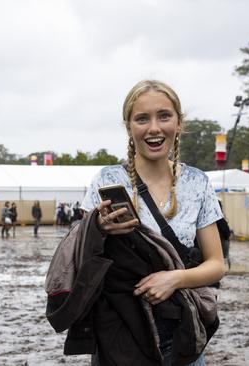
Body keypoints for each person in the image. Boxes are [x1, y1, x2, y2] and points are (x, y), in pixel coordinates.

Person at [81, 80, 225, 365]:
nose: (154, 128)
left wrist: (175, 278)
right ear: (129, 127)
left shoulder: (197, 182)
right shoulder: (107, 180)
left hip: (182, 334)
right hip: (119, 333)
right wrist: (98, 229)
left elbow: (217, 265)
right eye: (142, 118)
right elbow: (80, 257)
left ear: (179, 123)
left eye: (164, 116)